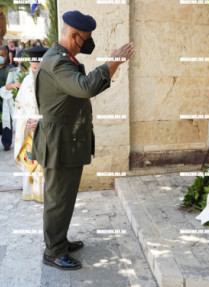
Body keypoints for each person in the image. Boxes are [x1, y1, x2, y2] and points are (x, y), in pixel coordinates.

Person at [32, 10, 133, 270]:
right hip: (58, 143)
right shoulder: (57, 62)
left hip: (66, 141)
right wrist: (113, 62)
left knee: (64, 198)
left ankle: (60, 241)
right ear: (74, 35)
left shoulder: (63, 58)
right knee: (57, 199)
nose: (87, 43)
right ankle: (53, 252)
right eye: (85, 38)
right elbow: (86, 86)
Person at [14, 47, 48, 203]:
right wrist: (26, 121)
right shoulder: (27, 81)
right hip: (29, 130)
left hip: (47, 129)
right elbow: (19, 106)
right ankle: (31, 192)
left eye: (37, 67)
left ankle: (46, 194)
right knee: (31, 160)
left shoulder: (52, 81)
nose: (35, 70)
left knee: (46, 161)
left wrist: (40, 122)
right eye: (33, 67)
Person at [0, 46, 13, 149]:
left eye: (2, 55)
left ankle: (7, 143)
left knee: (7, 119)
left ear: (7, 56)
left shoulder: (10, 69)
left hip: (6, 99)